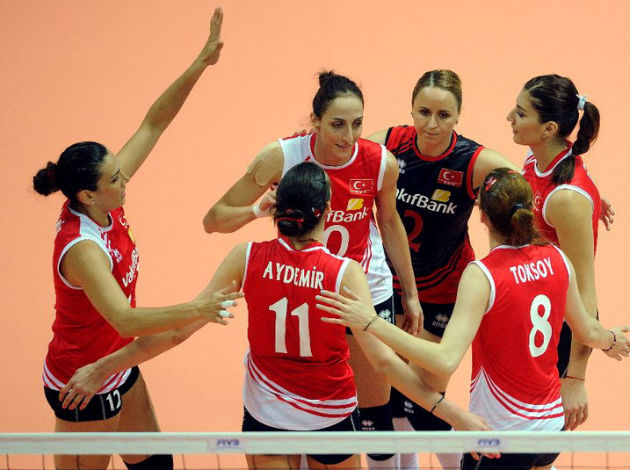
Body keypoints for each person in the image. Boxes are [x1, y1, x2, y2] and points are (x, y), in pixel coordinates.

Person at [62, 162, 487, 470]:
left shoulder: (246, 258)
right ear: (325, 211)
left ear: (277, 210)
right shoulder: (344, 273)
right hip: (329, 417)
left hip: (266, 416)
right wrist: (454, 414)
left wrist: (104, 367)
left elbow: (177, 333)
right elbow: (382, 362)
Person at [32, 9, 241, 470]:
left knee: (155, 464)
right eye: (116, 177)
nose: (125, 179)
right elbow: (125, 318)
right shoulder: (83, 249)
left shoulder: (105, 199)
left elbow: (153, 124)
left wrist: (200, 63)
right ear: (87, 194)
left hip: (116, 363)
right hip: (82, 381)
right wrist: (200, 308)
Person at [319, 167, 630, 470]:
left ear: (482, 216)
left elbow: (443, 360)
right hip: (549, 428)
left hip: (499, 436)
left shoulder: (483, 275)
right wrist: (612, 340)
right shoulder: (557, 258)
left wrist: (371, 322)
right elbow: (587, 331)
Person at [203, 71, 421, 469]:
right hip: (304, 286)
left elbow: (389, 223)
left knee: (375, 411)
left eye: (357, 124)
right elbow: (214, 219)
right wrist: (256, 210)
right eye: (337, 124)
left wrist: (409, 292)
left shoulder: (379, 162)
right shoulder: (281, 157)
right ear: (316, 121)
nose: (348, 136)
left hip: (362, 290)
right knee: (305, 407)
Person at [367, 70, 519, 470]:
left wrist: (578, 198)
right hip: (391, 285)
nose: (432, 124)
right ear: (411, 110)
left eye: (443, 115)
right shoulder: (390, 144)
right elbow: (341, 156)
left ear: (458, 116)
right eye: (424, 112)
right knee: (392, 403)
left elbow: (526, 191)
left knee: (423, 406)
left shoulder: (472, 161)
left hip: (443, 290)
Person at [506, 74, 603, 431]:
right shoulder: (539, 160)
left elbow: (586, 294)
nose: (510, 118)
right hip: (531, 312)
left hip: (555, 331)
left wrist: (575, 377)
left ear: (548, 129)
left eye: (520, 113)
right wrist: (594, 200)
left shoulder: (565, 199)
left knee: (536, 444)